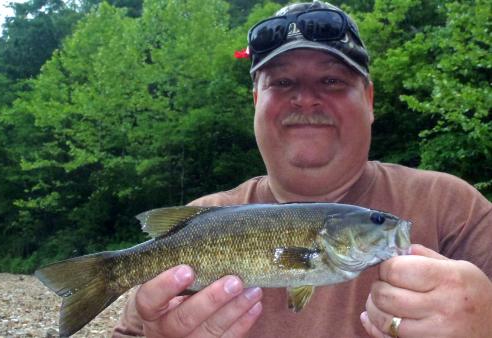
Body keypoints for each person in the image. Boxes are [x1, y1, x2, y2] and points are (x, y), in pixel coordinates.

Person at [113, 1, 492, 337]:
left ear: (370, 99)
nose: (306, 99)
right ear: (256, 102)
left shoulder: (455, 209)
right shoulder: (199, 219)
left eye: (331, 80)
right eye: (282, 82)